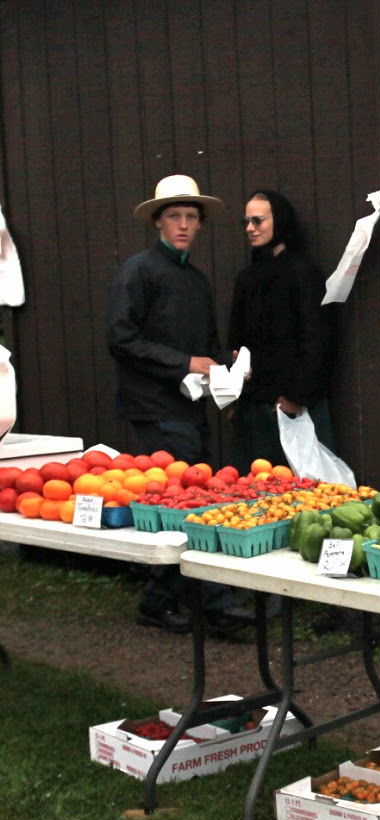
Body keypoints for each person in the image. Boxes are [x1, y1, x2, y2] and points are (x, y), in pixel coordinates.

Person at [107, 174, 240, 634]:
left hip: (190, 406)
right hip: (154, 408)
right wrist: (185, 362)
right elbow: (121, 339)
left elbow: (208, 347)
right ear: (158, 222)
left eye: (190, 217)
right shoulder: (138, 271)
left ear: (200, 224)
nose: (183, 224)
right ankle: (199, 604)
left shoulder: (196, 279)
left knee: (187, 501)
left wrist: (231, 367)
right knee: (180, 503)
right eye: (174, 216)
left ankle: (175, 600)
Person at [228, 189, 335, 470]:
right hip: (254, 406)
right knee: (255, 484)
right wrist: (235, 399)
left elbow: (317, 338)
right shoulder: (247, 277)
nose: (250, 228)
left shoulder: (303, 274)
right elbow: (236, 339)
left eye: (258, 220)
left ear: (280, 220)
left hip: (292, 405)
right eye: (246, 221)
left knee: (303, 484)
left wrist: (297, 396)